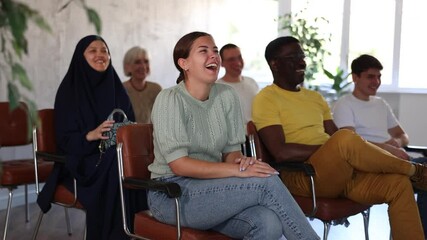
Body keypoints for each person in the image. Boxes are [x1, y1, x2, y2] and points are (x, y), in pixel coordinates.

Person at [147, 31, 320, 240]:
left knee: (268, 222)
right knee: (265, 181)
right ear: (184, 63)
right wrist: (235, 171)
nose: (213, 56)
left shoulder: (227, 95)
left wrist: (243, 164)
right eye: (204, 51)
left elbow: (231, 153)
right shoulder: (169, 99)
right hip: (171, 193)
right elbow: (179, 165)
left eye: (215, 51)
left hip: (211, 189)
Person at [252, 36, 427, 240]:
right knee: (344, 138)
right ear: (274, 64)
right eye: (293, 57)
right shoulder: (266, 99)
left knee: (398, 185)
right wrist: (331, 151)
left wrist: (384, 149)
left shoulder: (315, 98)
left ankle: (411, 176)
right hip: (303, 176)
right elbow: (281, 153)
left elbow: (343, 142)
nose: (302, 62)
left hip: (338, 173)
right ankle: (416, 171)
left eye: (302, 56)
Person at [37, 35, 146, 239]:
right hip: (80, 161)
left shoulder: (117, 88)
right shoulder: (70, 90)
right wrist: (92, 135)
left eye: (104, 50)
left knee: (136, 161)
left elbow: (129, 125)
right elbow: (65, 140)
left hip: (114, 155)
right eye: (92, 50)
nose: (100, 55)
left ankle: (140, 229)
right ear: (81, 57)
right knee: (118, 163)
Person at [333, 54, 427, 238]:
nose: (376, 81)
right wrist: (386, 148)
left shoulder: (380, 104)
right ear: (355, 77)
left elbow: (403, 136)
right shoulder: (344, 105)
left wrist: (397, 143)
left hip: (397, 159)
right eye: (370, 76)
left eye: (379, 77)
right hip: (372, 166)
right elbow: (351, 144)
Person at [217, 43, 259, 126]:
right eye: (231, 59)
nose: (238, 63)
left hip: (256, 136)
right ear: (221, 63)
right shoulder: (216, 88)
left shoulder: (251, 82)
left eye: (239, 57)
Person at [122, 46, 162, 123]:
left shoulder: (156, 89)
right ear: (128, 67)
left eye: (146, 61)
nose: (143, 66)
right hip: (128, 134)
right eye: (137, 62)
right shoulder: (121, 90)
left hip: (152, 134)